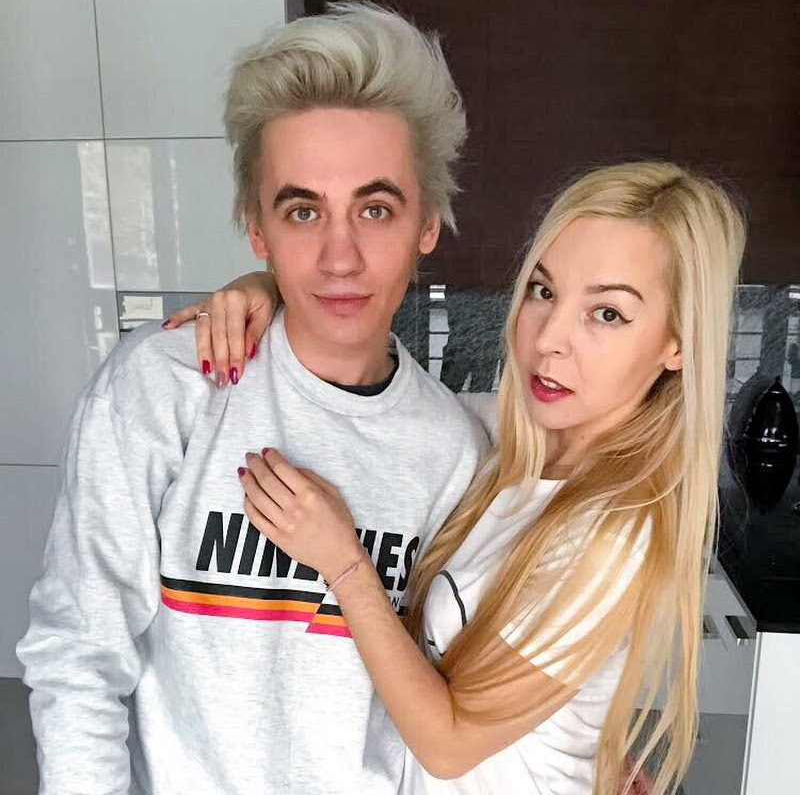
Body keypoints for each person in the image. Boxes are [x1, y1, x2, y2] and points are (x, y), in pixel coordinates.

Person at [17, 4, 488, 794]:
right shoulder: (165, 387)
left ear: (427, 225)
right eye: (303, 211)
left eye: (375, 209)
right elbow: (79, 655)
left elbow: (446, 703)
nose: (340, 256)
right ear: (257, 230)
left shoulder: (454, 453)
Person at [166, 161, 745, 794]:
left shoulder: (611, 536)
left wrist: (343, 564)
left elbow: (447, 746)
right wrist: (267, 289)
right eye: (544, 291)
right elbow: (394, 398)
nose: (550, 340)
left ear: (677, 342)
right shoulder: (504, 442)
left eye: (607, 314)